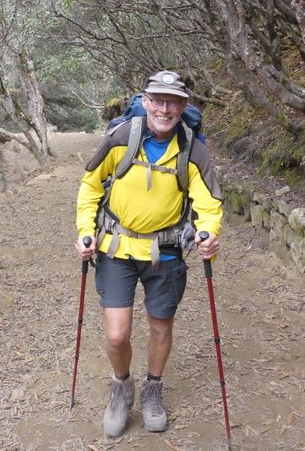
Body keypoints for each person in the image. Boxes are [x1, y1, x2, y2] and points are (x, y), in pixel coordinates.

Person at [75, 70, 223, 437]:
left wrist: (209, 234)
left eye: (173, 102)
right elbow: (90, 186)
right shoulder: (122, 138)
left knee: (160, 326)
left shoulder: (193, 150)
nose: (164, 108)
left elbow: (209, 204)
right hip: (116, 248)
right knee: (116, 336)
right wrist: (84, 232)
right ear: (144, 101)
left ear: (183, 106)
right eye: (157, 99)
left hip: (167, 251)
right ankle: (121, 386)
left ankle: (153, 388)